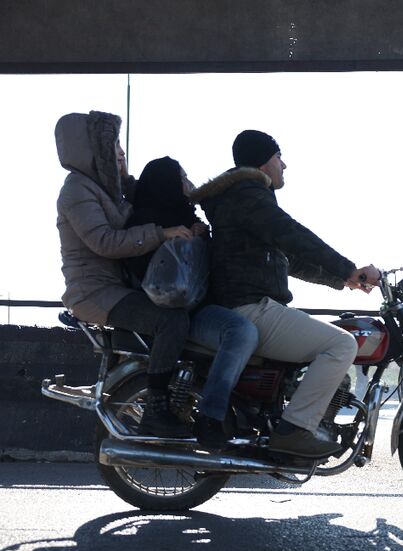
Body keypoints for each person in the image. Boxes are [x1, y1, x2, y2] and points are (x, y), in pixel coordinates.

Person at [188, 130, 379, 458]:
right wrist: (348, 267)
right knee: (341, 344)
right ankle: (296, 429)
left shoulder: (241, 197)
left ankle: (288, 419)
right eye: (279, 157)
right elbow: (292, 235)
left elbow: (288, 259)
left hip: (249, 304)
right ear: (264, 161)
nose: (284, 165)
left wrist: (342, 280)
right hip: (249, 307)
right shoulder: (249, 194)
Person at [55, 111, 192, 438]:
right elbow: (104, 241)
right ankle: (157, 407)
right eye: (112, 143)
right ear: (89, 148)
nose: (120, 150)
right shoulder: (77, 190)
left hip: (118, 287)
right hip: (95, 293)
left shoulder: (111, 187)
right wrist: (163, 233)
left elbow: (156, 194)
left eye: (119, 142)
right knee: (170, 321)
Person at [125, 156, 260, 450]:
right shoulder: (145, 221)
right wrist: (173, 241)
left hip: (199, 307)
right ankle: (211, 416)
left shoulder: (188, 217)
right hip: (177, 312)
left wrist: (199, 235)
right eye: (182, 178)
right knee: (240, 331)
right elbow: (150, 279)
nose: (188, 184)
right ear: (167, 183)